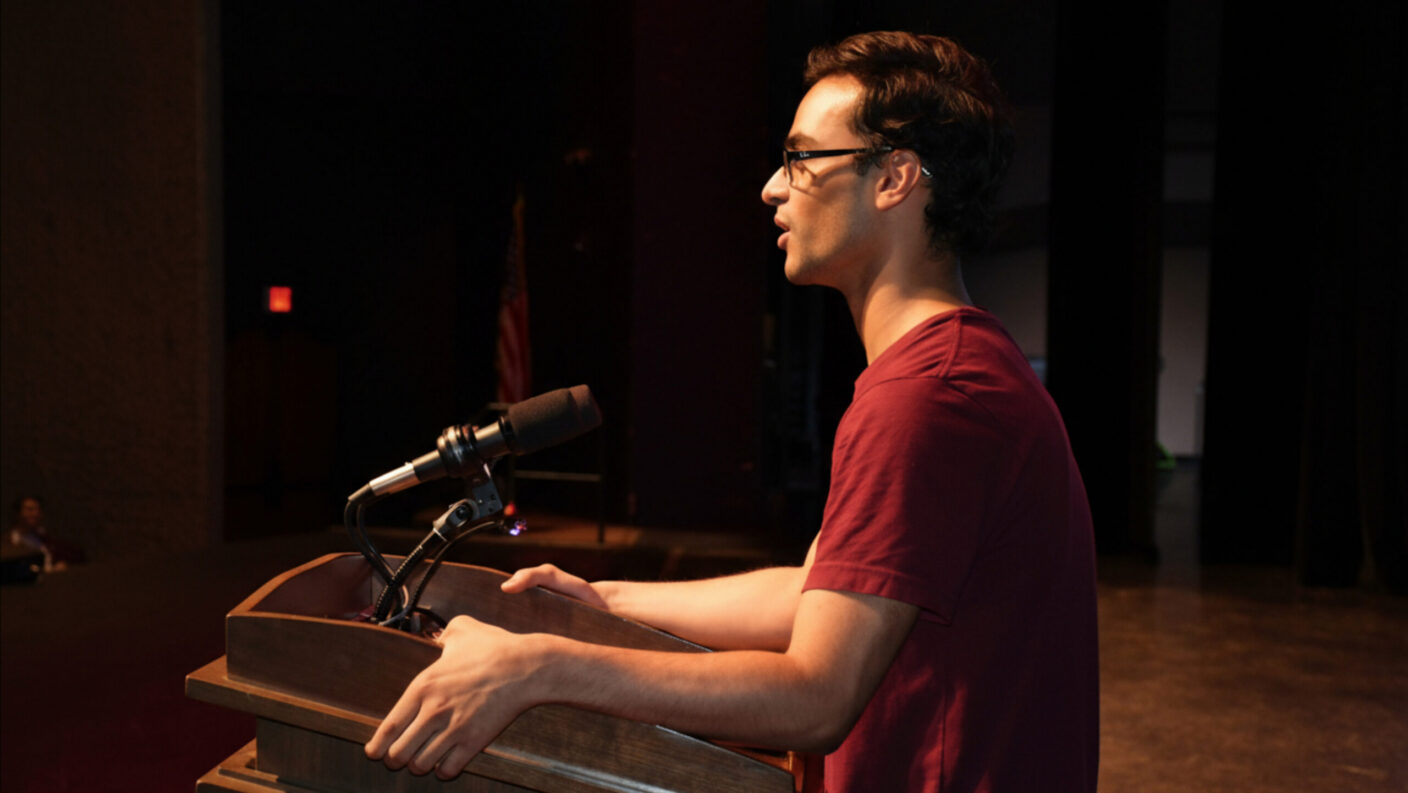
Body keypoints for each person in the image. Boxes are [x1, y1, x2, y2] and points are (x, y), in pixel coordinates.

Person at [366, 31, 1098, 792]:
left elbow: (815, 695)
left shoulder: (928, 398)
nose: (773, 188)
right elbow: (816, 593)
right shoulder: (957, 367)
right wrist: (604, 601)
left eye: (801, 158)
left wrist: (541, 668)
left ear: (894, 178)